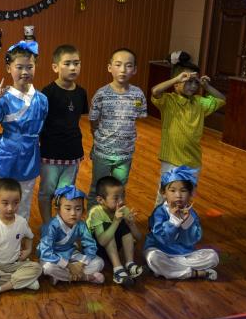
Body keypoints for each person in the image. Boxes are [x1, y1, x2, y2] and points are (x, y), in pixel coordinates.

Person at [0, 40, 48, 223]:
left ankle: (19, 238)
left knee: (23, 202)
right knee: (2, 202)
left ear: (35, 67)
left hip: (30, 155)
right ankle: (0, 238)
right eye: (19, 67)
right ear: (9, 68)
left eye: (29, 67)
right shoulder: (3, 98)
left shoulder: (42, 100)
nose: (25, 72)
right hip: (7, 156)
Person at [150, 52, 226, 206]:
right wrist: (176, 79)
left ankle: (178, 220)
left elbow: (221, 99)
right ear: (176, 84)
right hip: (171, 159)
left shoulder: (199, 103)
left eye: (195, 82)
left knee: (184, 197)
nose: (193, 86)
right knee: (166, 195)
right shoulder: (169, 101)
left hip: (192, 160)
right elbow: (155, 91)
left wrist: (206, 86)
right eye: (187, 81)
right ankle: (159, 220)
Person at [87, 48, 148, 206]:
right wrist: (97, 137)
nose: (123, 70)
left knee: (119, 189)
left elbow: (139, 115)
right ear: (110, 68)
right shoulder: (101, 94)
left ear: (134, 70)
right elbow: (93, 120)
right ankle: (93, 219)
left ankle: (115, 217)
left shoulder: (138, 94)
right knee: (97, 187)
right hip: (103, 152)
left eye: (128, 66)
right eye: (118, 64)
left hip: (125, 154)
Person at [38, 44, 88, 224]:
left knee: (65, 193)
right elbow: (40, 122)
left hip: (72, 152)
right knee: (47, 192)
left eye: (77, 63)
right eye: (67, 63)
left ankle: (61, 226)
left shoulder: (81, 92)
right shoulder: (47, 93)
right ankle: (47, 225)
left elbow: (78, 119)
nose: (73, 67)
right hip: (50, 152)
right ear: (55, 67)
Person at [144, 166, 219, 280]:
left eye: (183, 191)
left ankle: (169, 269)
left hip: (184, 254)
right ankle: (196, 273)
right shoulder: (159, 212)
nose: (178, 195)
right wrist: (174, 220)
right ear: (163, 193)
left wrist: (186, 222)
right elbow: (163, 239)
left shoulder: (191, 213)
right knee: (152, 258)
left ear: (190, 193)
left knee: (213, 257)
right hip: (160, 250)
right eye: (172, 190)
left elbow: (191, 240)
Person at [37, 185, 104, 284]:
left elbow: (91, 246)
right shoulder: (51, 226)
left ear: (83, 210)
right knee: (48, 268)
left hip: (71, 253)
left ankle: (62, 276)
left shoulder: (81, 225)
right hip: (53, 257)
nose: (73, 213)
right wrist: (69, 265)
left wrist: (80, 264)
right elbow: (45, 252)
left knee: (99, 262)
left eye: (78, 209)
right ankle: (85, 277)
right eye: (68, 209)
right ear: (58, 209)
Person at [87, 176, 143, 287]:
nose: (121, 201)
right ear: (100, 200)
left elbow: (139, 237)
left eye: (123, 196)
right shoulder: (95, 212)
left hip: (113, 246)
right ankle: (117, 269)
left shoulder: (123, 209)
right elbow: (102, 241)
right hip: (96, 248)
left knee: (123, 226)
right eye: (116, 198)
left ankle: (130, 264)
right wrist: (116, 221)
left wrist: (131, 224)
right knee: (109, 227)